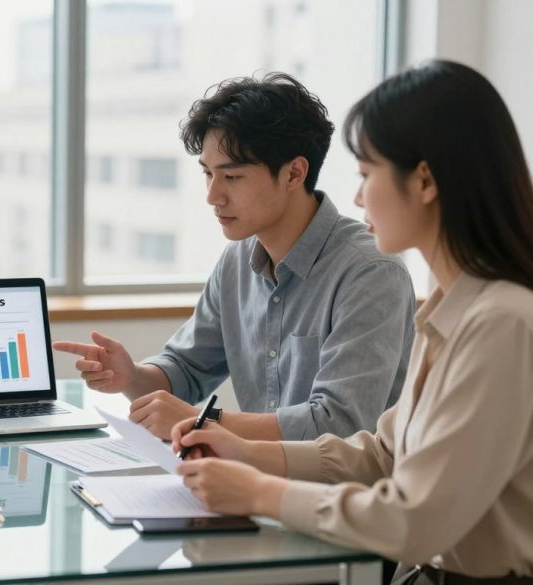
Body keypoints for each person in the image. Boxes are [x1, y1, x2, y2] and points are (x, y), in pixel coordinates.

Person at [174, 60, 533, 582]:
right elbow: (383, 453)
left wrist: (258, 490)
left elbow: (416, 520)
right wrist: (247, 452)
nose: (359, 196)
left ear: (425, 180)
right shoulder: (453, 312)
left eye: (367, 174)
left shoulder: (502, 324)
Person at [54, 72, 416, 441]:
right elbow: (185, 370)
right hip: (253, 482)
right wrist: (131, 377)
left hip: (339, 495)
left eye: (232, 177)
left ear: (294, 173)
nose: (213, 195)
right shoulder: (236, 261)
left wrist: (205, 423)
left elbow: (340, 424)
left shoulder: (371, 273)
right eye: (208, 174)